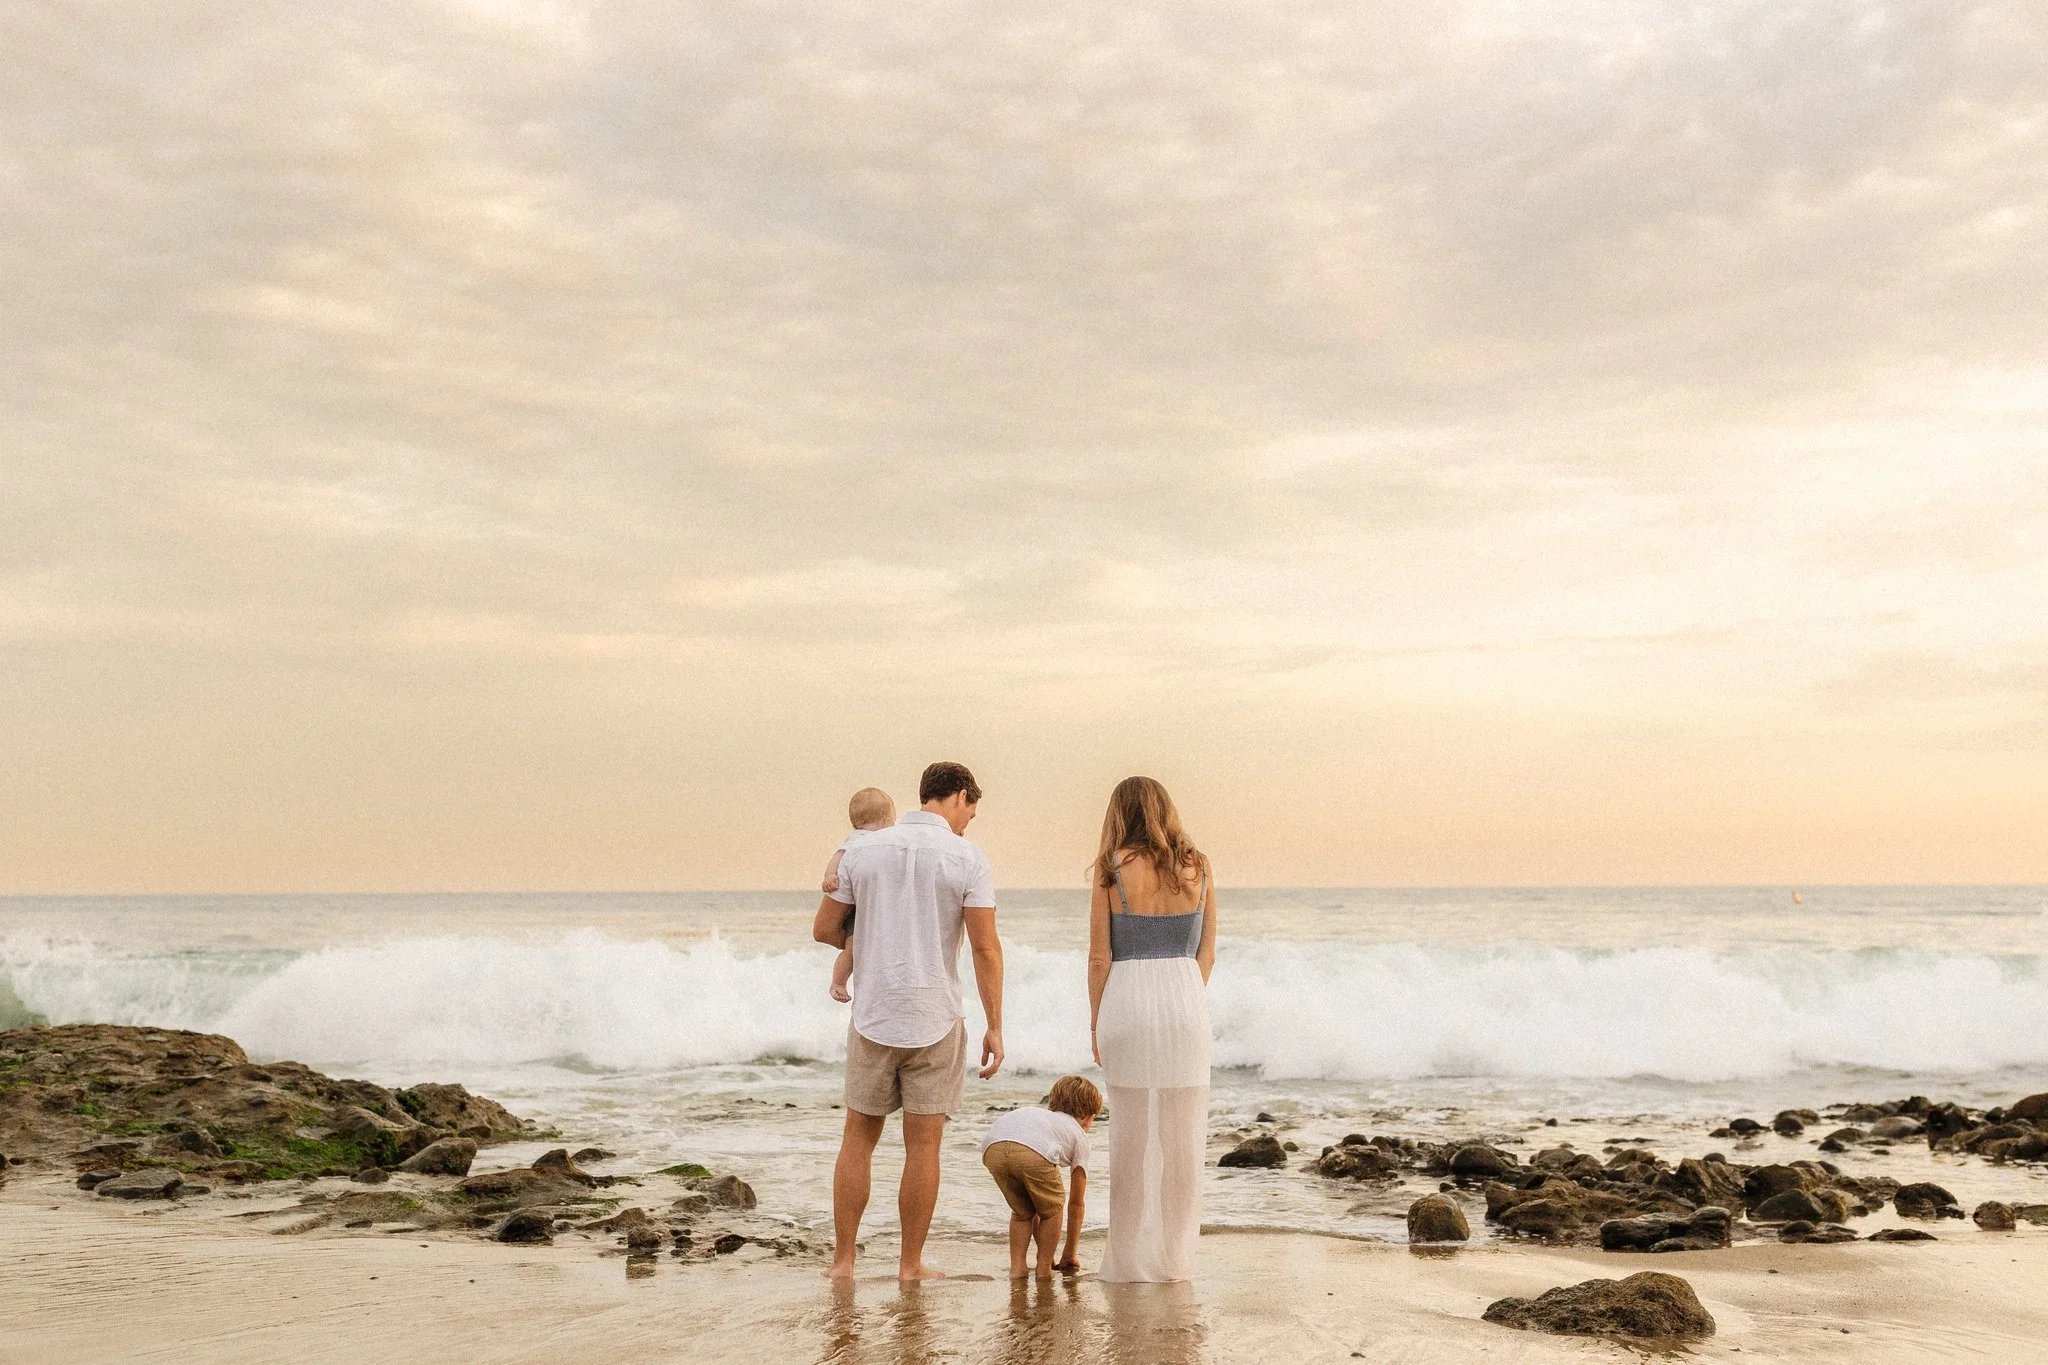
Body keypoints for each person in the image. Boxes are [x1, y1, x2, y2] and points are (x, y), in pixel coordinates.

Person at [812, 761, 1005, 1282]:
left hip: (874, 1013)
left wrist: (865, 949)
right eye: (971, 809)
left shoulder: (863, 850)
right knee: (924, 1146)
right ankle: (909, 1265)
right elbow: (985, 948)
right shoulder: (967, 857)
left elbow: (824, 928)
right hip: (936, 1017)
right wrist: (995, 1025)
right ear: (960, 795)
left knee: (858, 1137)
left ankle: (844, 1262)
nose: (970, 821)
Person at [1087, 776, 1216, 1283]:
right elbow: (1206, 953)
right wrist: (1182, 995)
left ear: (1119, 813)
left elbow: (1100, 957)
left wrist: (1097, 1021)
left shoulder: (1111, 869)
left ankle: (1127, 1261)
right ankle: (1176, 1261)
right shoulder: (1198, 865)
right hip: (1187, 999)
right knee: (1183, 1142)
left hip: (1128, 1000)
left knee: (1131, 1140)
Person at [979, 1074, 1100, 1279]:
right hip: (1033, 1151)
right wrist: (1069, 1253)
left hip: (993, 1146)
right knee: (1052, 1209)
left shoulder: (1038, 1116)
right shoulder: (1078, 1134)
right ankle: (1044, 1269)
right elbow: (1076, 1203)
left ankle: (1017, 1268)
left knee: (1022, 1211)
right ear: (1088, 1117)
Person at [822, 787, 897, 1002]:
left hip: (865, 903)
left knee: (856, 947)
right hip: (854, 910)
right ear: (885, 822)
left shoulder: (863, 840)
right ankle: (838, 982)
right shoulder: (858, 840)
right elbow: (838, 856)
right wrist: (829, 875)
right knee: (852, 948)